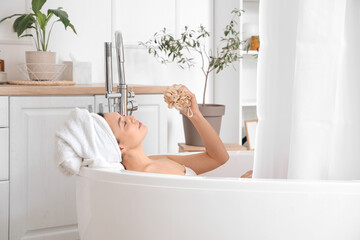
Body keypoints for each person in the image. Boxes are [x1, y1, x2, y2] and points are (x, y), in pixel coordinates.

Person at [101, 85, 252, 177]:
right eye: (124, 123)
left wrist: (195, 115)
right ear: (120, 148)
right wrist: (240, 186)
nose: (132, 117)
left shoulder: (155, 160)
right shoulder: (147, 175)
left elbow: (219, 158)